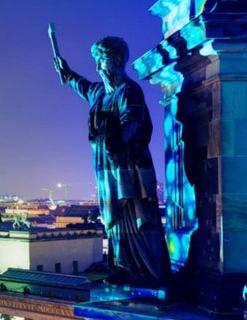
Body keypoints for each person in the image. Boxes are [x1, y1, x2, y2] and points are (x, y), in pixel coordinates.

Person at [54, 36, 171, 281]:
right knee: (113, 217)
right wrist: (66, 72)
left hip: (128, 167)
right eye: (96, 61)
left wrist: (115, 141)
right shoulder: (99, 92)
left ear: (117, 61)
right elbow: (82, 85)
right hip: (107, 168)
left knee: (133, 212)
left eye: (102, 60)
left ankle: (144, 270)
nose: (98, 67)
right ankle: (122, 265)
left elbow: (132, 120)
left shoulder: (129, 91)